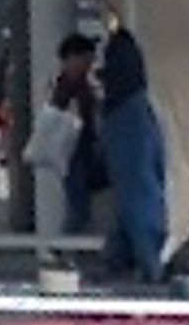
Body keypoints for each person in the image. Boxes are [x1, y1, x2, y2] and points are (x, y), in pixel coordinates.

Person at [97, 30, 169, 282]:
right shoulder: (142, 107)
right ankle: (131, 256)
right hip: (145, 235)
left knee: (134, 191)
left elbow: (136, 192)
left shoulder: (124, 115)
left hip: (142, 245)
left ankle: (133, 258)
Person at [50, 34, 103, 234]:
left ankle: (65, 248)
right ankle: (60, 249)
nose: (90, 63)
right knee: (79, 208)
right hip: (75, 153)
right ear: (72, 57)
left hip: (80, 151)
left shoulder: (78, 85)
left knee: (81, 206)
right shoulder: (67, 87)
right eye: (86, 58)